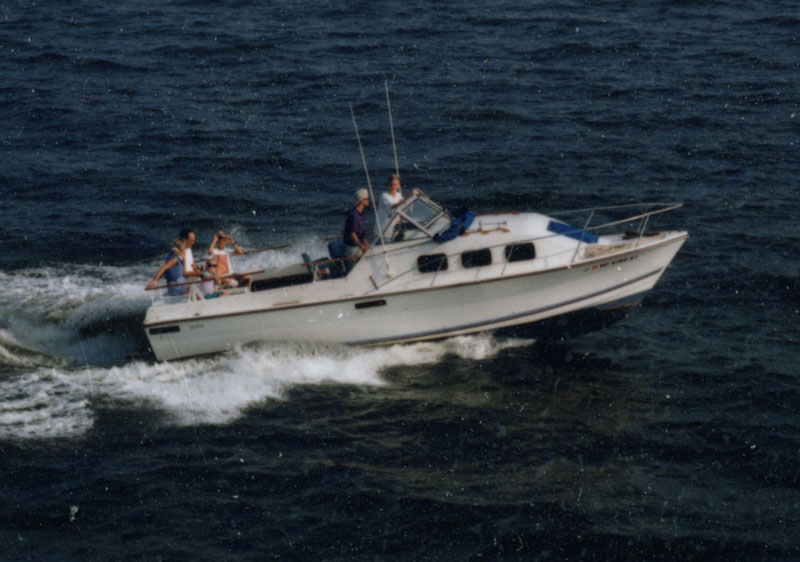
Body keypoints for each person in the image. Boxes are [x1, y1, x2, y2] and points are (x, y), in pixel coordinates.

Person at [342, 188, 371, 272]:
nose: (368, 200)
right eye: (367, 199)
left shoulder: (359, 213)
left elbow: (360, 234)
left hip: (357, 246)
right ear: (362, 200)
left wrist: (367, 244)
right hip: (353, 248)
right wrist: (362, 247)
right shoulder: (354, 215)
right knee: (355, 271)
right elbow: (353, 234)